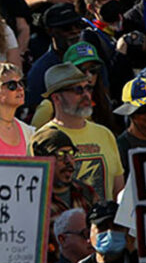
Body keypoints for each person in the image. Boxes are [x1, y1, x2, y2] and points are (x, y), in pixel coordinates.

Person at [39, 63, 124, 201]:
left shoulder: (105, 134)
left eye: (88, 88)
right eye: (78, 90)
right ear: (56, 98)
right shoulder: (42, 139)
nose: (86, 95)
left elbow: (119, 191)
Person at [31, 127, 99, 242]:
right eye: (60, 154)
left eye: (71, 153)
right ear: (42, 160)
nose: (68, 161)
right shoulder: (34, 200)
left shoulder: (85, 192)